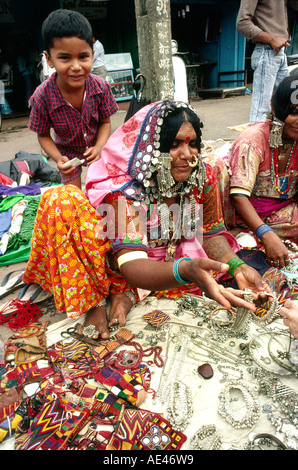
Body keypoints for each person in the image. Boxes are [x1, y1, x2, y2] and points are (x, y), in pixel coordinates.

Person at [23, 100, 271, 340]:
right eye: (173, 145)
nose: (187, 154)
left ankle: (128, 295)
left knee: (215, 164)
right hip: (124, 266)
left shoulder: (201, 175)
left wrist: (237, 266)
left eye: (193, 144)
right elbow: (133, 267)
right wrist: (185, 270)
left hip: (166, 262)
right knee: (62, 199)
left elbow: (209, 232)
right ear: (150, 149)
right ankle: (101, 299)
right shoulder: (124, 191)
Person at [28, 9, 118, 189]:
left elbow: (105, 123)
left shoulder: (100, 87)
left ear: (92, 54)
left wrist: (99, 147)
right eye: (65, 58)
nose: (76, 67)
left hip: (96, 152)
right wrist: (58, 158)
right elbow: (43, 135)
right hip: (68, 155)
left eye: (83, 56)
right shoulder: (41, 97)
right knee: (73, 198)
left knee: (102, 194)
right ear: (49, 59)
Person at [228, 74, 298, 270]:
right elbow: (238, 197)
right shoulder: (253, 140)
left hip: (281, 214)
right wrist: (265, 233)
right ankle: (241, 236)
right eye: (294, 113)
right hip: (245, 218)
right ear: (276, 108)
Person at [236, 0, 298, 124]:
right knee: (261, 110)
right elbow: (242, 23)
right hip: (267, 50)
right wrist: (271, 39)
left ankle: (279, 142)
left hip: (280, 51)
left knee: (285, 104)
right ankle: (254, 142)